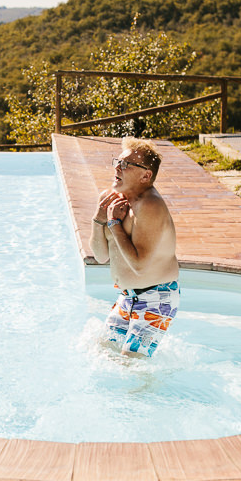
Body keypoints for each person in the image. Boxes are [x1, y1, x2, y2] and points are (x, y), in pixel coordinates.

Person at [89, 137, 180, 358]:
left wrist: (113, 224)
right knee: (103, 353)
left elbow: (139, 265)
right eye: (117, 162)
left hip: (157, 297)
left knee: (132, 366)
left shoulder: (149, 206)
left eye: (126, 165)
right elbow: (100, 257)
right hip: (127, 296)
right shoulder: (110, 199)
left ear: (146, 175)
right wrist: (98, 220)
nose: (117, 168)